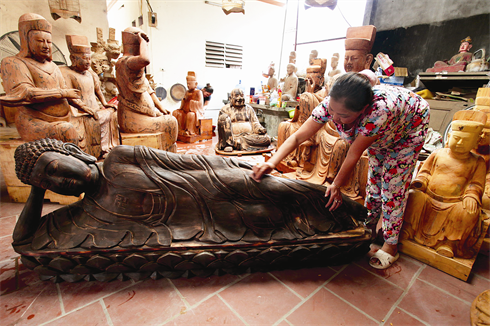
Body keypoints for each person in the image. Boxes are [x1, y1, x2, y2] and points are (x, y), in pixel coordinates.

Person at [12, 138, 366, 250]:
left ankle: (351, 210)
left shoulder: (118, 158)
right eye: (53, 183)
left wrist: (234, 166)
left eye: (58, 168)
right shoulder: (92, 213)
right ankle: (333, 224)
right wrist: (35, 191)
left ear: (72, 154)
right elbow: (23, 239)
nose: (65, 181)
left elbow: (183, 162)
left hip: (212, 181)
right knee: (270, 219)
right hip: (204, 220)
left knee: (283, 187)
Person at [252, 72, 430, 270]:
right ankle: (368, 226)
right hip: (381, 132)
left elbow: (354, 154)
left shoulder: (377, 112)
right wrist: (272, 162)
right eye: (332, 111)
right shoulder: (334, 103)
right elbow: (297, 137)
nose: (335, 118)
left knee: (392, 187)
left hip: (408, 126)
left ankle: (391, 245)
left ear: (363, 109)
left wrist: (336, 184)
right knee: (375, 178)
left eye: (343, 115)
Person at [402, 111, 486, 259]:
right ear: (449, 137)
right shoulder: (438, 153)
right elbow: (425, 172)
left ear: (476, 142)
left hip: (455, 203)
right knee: (413, 197)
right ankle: (408, 229)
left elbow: (476, 184)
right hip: (429, 196)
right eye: (457, 138)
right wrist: (421, 182)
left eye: (466, 141)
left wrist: (471, 196)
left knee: (468, 212)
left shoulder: (477, 161)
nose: (460, 143)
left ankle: (449, 243)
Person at [0, 13, 81, 144]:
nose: (45, 45)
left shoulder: (53, 66)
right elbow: (26, 93)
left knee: (91, 122)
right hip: (35, 121)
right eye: (40, 41)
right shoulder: (13, 62)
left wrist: (84, 107)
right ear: (27, 40)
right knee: (67, 130)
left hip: (64, 118)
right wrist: (62, 93)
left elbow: (68, 92)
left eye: (48, 41)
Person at [61, 35, 119, 158]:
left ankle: (106, 148)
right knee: (93, 119)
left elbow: (98, 90)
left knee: (112, 113)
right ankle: (94, 150)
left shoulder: (91, 73)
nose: (88, 62)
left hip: (94, 109)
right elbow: (70, 96)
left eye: (88, 58)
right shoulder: (66, 73)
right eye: (84, 58)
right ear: (73, 58)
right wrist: (85, 109)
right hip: (80, 113)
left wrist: (104, 103)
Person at [115, 27, 177, 136]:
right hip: (133, 119)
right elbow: (145, 60)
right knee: (171, 123)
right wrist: (143, 42)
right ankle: (162, 153)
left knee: (168, 117)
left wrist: (161, 108)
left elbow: (149, 90)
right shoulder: (126, 62)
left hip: (142, 114)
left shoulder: (131, 65)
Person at [172, 71, 205, 136]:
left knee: (190, 115)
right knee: (176, 112)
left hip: (195, 111)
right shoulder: (187, 92)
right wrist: (183, 101)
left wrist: (191, 102)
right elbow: (183, 102)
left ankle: (189, 131)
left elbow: (200, 104)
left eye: (189, 84)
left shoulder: (198, 92)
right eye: (187, 84)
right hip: (185, 110)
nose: (188, 85)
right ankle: (179, 130)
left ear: (195, 84)